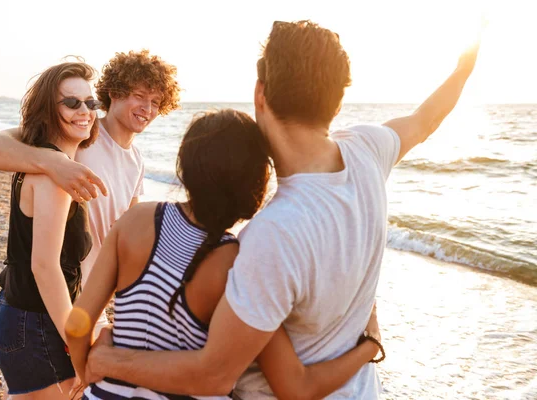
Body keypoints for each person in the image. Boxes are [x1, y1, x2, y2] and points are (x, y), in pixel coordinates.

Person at [81, 19, 481, 399]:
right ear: (337, 103)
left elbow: (216, 374)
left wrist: (108, 359)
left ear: (260, 93)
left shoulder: (270, 235)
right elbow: (426, 119)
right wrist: (464, 69)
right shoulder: (369, 148)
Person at [65, 109, 384, 400]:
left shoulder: (136, 220)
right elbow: (298, 387)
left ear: (186, 168)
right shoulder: (237, 261)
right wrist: (370, 345)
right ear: (254, 188)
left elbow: (77, 325)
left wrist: (89, 373)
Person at [0, 50, 182, 336]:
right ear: (115, 93)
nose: (148, 108)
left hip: (92, 299)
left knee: (84, 380)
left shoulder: (137, 160)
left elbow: (123, 233)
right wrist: (53, 162)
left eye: (156, 102)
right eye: (140, 96)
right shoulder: (82, 133)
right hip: (55, 297)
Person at [0, 61, 99, 397]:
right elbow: (45, 266)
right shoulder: (54, 175)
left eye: (90, 103)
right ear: (48, 111)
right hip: (35, 323)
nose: (85, 111)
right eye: (71, 103)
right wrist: (76, 345)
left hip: (16, 311)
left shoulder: (38, 162)